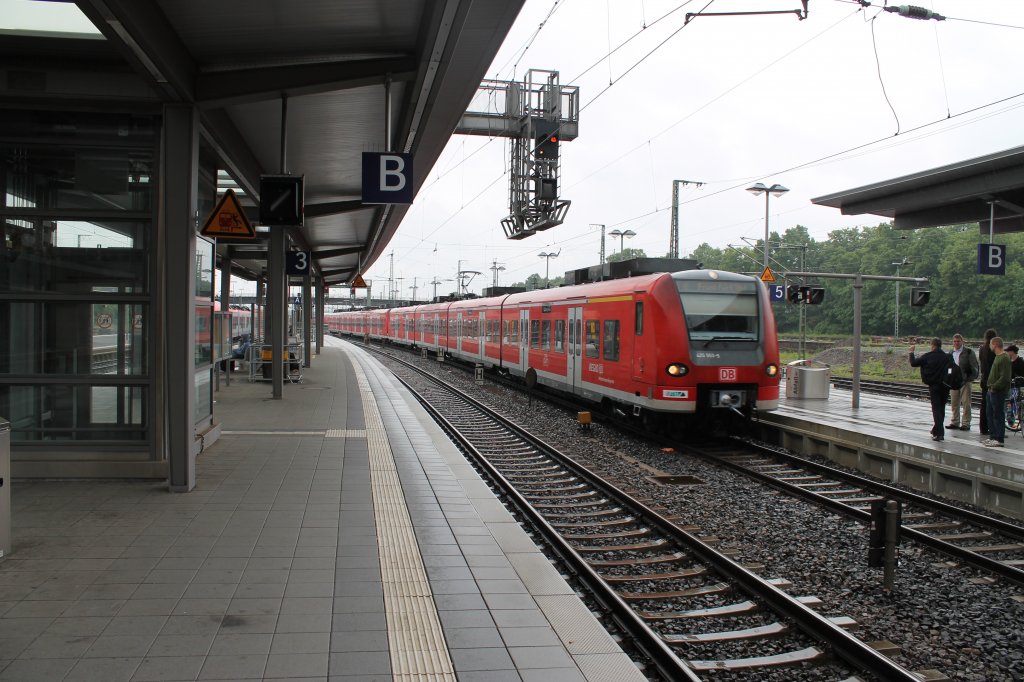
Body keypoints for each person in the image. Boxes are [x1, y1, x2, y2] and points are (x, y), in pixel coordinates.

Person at [910, 338, 951, 442]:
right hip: (945, 386)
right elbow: (951, 369)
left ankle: (939, 434)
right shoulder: (947, 357)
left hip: (934, 386)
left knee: (936, 409)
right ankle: (936, 430)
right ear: (940, 345)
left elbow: (913, 363)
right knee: (941, 409)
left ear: (932, 345)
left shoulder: (928, 356)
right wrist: (948, 377)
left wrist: (911, 352)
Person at [947, 333, 980, 431]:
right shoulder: (951, 352)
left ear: (962, 341)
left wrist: (970, 378)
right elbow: (949, 366)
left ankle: (966, 423)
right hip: (954, 381)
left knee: (966, 402)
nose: (956, 343)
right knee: (954, 403)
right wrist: (949, 376)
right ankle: (955, 421)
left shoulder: (968, 352)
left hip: (965, 381)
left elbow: (975, 367)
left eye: (958, 341)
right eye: (955, 341)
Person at [984, 336, 1011, 447]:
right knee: (990, 414)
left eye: (991, 344)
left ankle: (999, 438)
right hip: (991, 390)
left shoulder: (1004, 358)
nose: (990, 346)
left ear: (995, 344)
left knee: (998, 414)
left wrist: (995, 386)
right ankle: (993, 436)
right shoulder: (997, 357)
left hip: (997, 391)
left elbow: (1005, 377)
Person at [979, 328, 997, 435]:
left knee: (984, 403)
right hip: (992, 379)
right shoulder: (993, 350)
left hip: (984, 379)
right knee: (993, 405)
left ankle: (983, 427)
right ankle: (992, 427)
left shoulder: (982, 349)